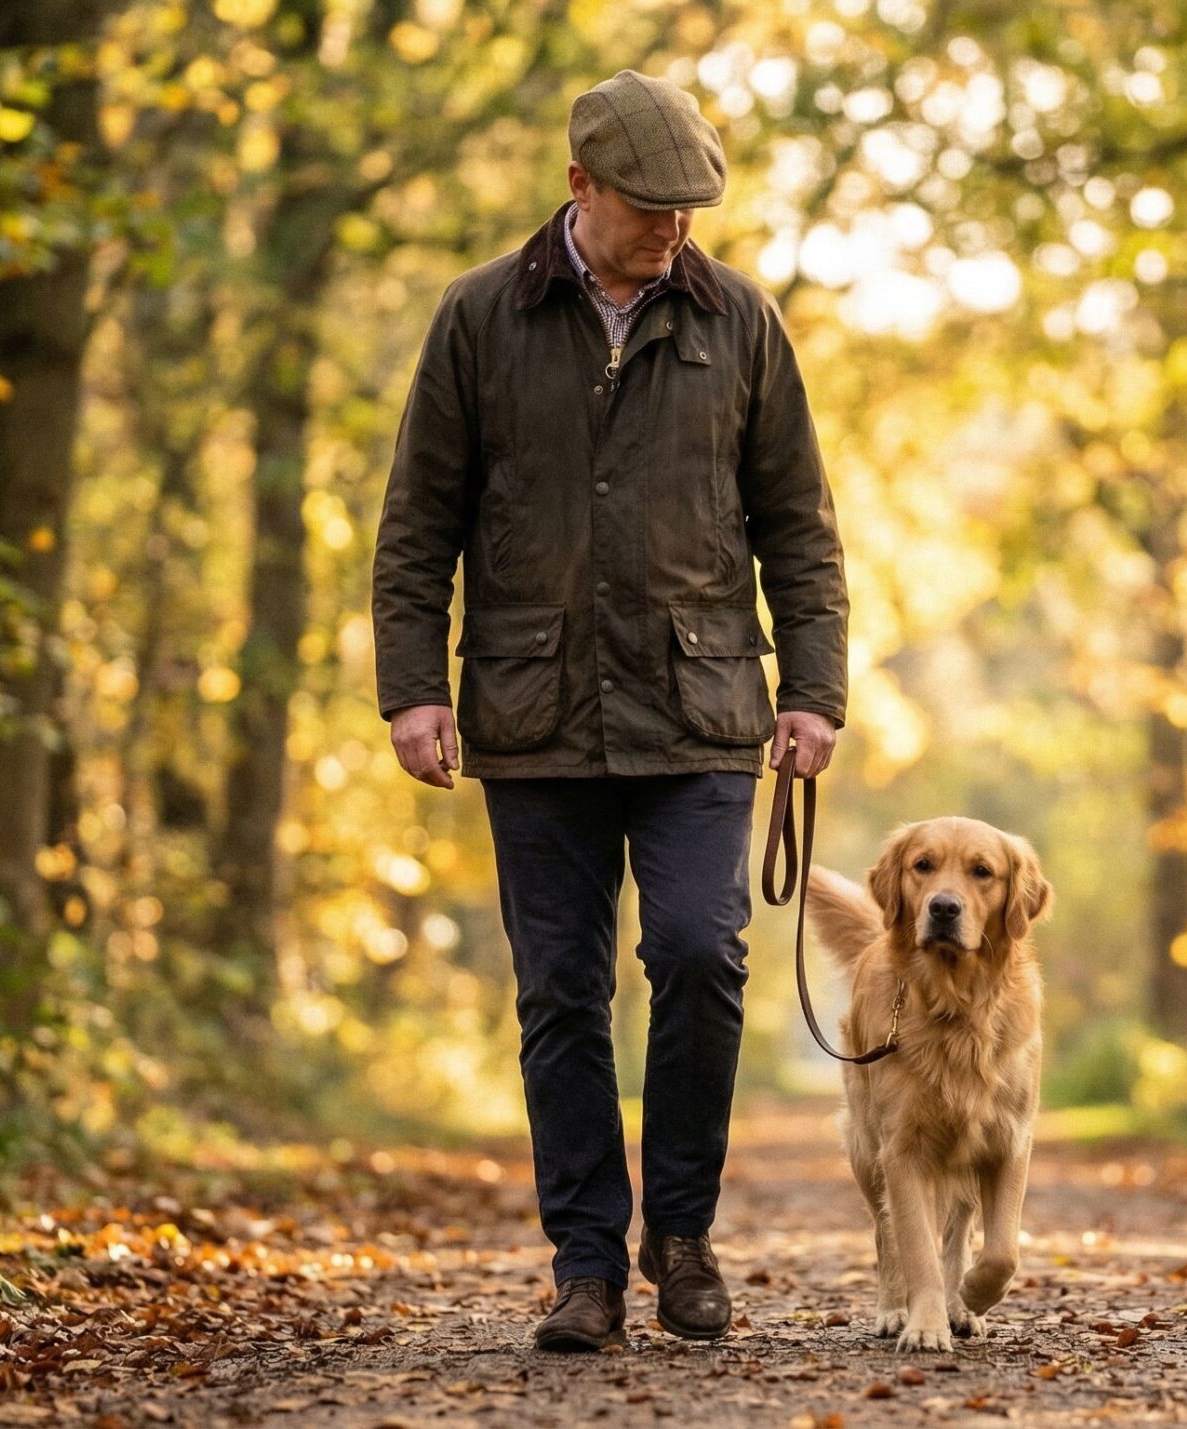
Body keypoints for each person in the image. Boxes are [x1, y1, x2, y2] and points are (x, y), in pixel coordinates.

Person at [371, 68, 848, 1352]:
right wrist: (412, 688)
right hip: (532, 711)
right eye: (651, 206)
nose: (673, 228)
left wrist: (813, 690)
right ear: (580, 186)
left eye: (692, 208)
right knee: (561, 994)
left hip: (701, 706)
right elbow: (418, 523)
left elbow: (799, 526)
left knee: (699, 954)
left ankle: (680, 1236)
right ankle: (584, 1263)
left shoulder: (742, 321)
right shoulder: (478, 316)